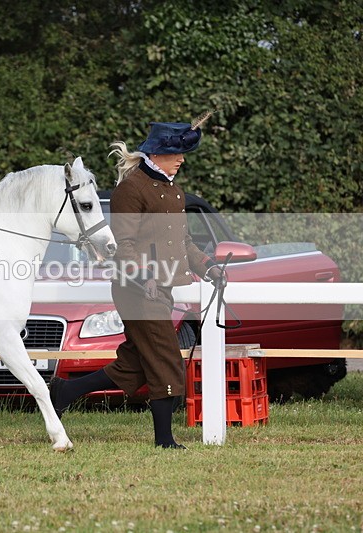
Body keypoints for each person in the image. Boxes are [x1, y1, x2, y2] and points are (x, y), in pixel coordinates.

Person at [50, 114, 227, 449]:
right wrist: (143, 274)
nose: (182, 159)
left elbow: (183, 242)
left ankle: (65, 391)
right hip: (137, 289)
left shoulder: (174, 191)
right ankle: (164, 440)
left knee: (134, 362)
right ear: (157, 154)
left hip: (161, 288)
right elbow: (124, 245)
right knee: (165, 357)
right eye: (176, 153)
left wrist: (207, 267)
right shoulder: (130, 190)